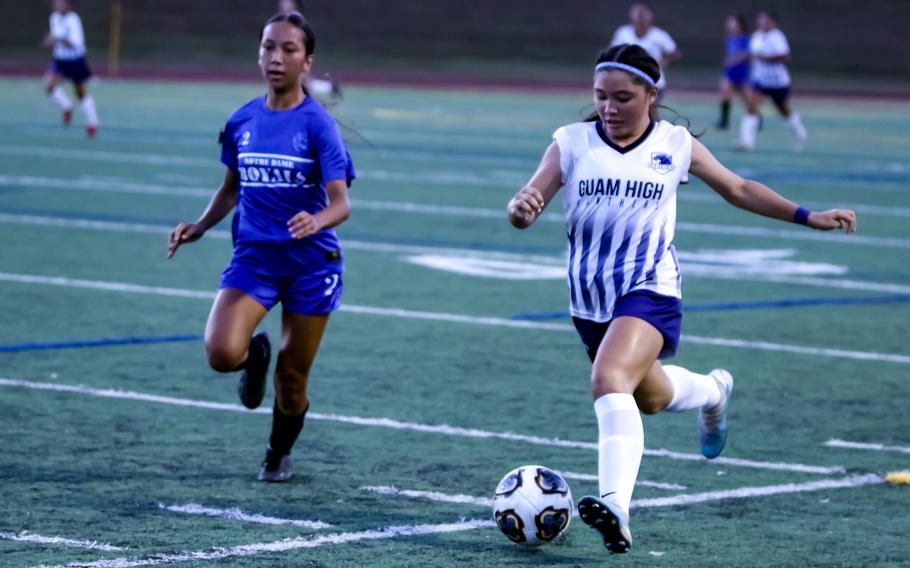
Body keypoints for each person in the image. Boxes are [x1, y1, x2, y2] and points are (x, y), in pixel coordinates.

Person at [506, 44, 856, 554]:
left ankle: (616, 508)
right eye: (601, 96)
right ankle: (714, 393)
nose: (609, 107)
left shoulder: (675, 143)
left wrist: (809, 216)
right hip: (589, 299)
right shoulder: (571, 142)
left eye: (623, 97)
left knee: (607, 380)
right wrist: (521, 208)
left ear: (652, 94)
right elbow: (528, 202)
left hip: (650, 288)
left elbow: (738, 188)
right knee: (647, 397)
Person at [167, 12, 355, 482]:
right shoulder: (241, 120)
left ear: (307, 62)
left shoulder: (318, 125)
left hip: (312, 264)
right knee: (221, 353)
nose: (276, 58)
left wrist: (317, 219)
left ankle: (277, 452)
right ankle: (256, 355)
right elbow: (232, 188)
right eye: (269, 47)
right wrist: (202, 224)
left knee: (292, 381)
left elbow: (341, 203)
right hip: (255, 259)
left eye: (288, 50)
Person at [738, 11, 807, 151]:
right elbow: (753, 56)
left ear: (772, 22)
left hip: (778, 82)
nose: (761, 22)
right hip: (761, 80)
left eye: (765, 20)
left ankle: (800, 131)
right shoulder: (757, 36)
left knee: (783, 110)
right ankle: (746, 141)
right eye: (760, 20)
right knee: (751, 106)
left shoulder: (777, 37)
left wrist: (765, 58)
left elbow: (785, 56)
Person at [42, 0, 98, 138]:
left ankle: (92, 122)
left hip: (75, 60)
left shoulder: (74, 19)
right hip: (60, 60)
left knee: (80, 93)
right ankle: (67, 107)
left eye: (62, 3)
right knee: (50, 87)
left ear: (68, 5)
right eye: (56, 3)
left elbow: (74, 43)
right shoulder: (54, 17)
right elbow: (55, 35)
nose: (59, 6)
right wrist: (50, 39)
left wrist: (56, 39)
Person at [277, 0, 342, 107]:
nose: (283, 5)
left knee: (299, 81)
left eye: (287, 3)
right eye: (282, 3)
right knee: (301, 81)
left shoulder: (295, 18)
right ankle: (329, 89)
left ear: (294, 4)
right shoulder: (286, 18)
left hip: (297, 54)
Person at [610, 3, 680, 97]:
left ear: (650, 17)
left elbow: (674, 52)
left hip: (654, 81)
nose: (641, 18)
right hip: (628, 81)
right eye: (638, 15)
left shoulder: (659, 35)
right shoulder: (623, 33)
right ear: (632, 17)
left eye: (643, 15)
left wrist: (663, 61)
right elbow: (612, 52)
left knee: (649, 110)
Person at [716, 15, 751, 130]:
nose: (730, 26)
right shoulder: (729, 39)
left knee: (747, 100)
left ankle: (756, 119)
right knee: (725, 95)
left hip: (742, 72)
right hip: (730, 72)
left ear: (740, 25)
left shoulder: (746, 39)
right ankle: (724, 122)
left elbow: (747, 54)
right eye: (729, 23)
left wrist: (733, 60)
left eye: (733, 23)